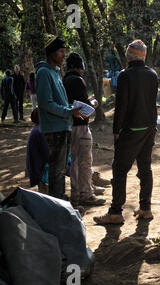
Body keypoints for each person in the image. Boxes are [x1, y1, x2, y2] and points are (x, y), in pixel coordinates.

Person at [94, 39, 159, 225]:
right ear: (144, 56)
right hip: (149, 128)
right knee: (145, 168)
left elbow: (121, 106)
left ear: (128, 57)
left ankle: (115, 212)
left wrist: (116, 131)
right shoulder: (152, 74)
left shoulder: (125, 75)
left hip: (131, 130)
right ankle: (145, 208)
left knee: (120, 170)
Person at [36, 36, 84, 200]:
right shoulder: (43, 72)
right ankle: (57, 204)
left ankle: (61, 201)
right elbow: (45, 103)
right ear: (51, 54)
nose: (64, 55)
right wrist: (69, 111)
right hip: (54, 129)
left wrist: (71, 110)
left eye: (65, 52)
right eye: (61, 52)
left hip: (63, 127)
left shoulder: (55, 72)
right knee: (56, 171)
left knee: (61, 170)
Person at [63, 52, 106, 207]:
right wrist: (93, 103)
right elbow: (84, 109)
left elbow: (75, 102)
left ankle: (77, 193)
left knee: (73, 162)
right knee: (85, 162)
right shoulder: (77, 80)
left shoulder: (64, 80)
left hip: (69, 126)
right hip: (81, 127)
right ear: (79, 67)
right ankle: (87, 194)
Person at [26, 107, 49, 194]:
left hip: (37, 167)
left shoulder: (37, 129)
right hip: (40, 169)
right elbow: (47, 153)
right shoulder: (41, 130)